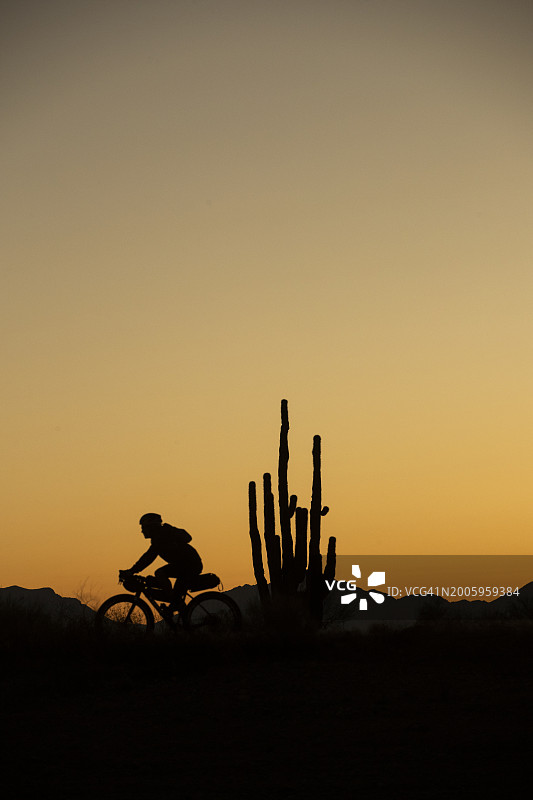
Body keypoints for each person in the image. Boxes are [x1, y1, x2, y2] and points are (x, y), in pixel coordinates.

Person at [122, 513, 203, 612]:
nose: (142, 531)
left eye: (144, 527)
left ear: (151, 527)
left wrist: (132, 571)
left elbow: (148, 558)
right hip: (185, 565)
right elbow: (148, 557)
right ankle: (178, 611)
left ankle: (175, 605)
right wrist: (133, 570)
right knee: (172, 593)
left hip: (190, 566)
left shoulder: (162, 536)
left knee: (161, 575)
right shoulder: (159, 537)